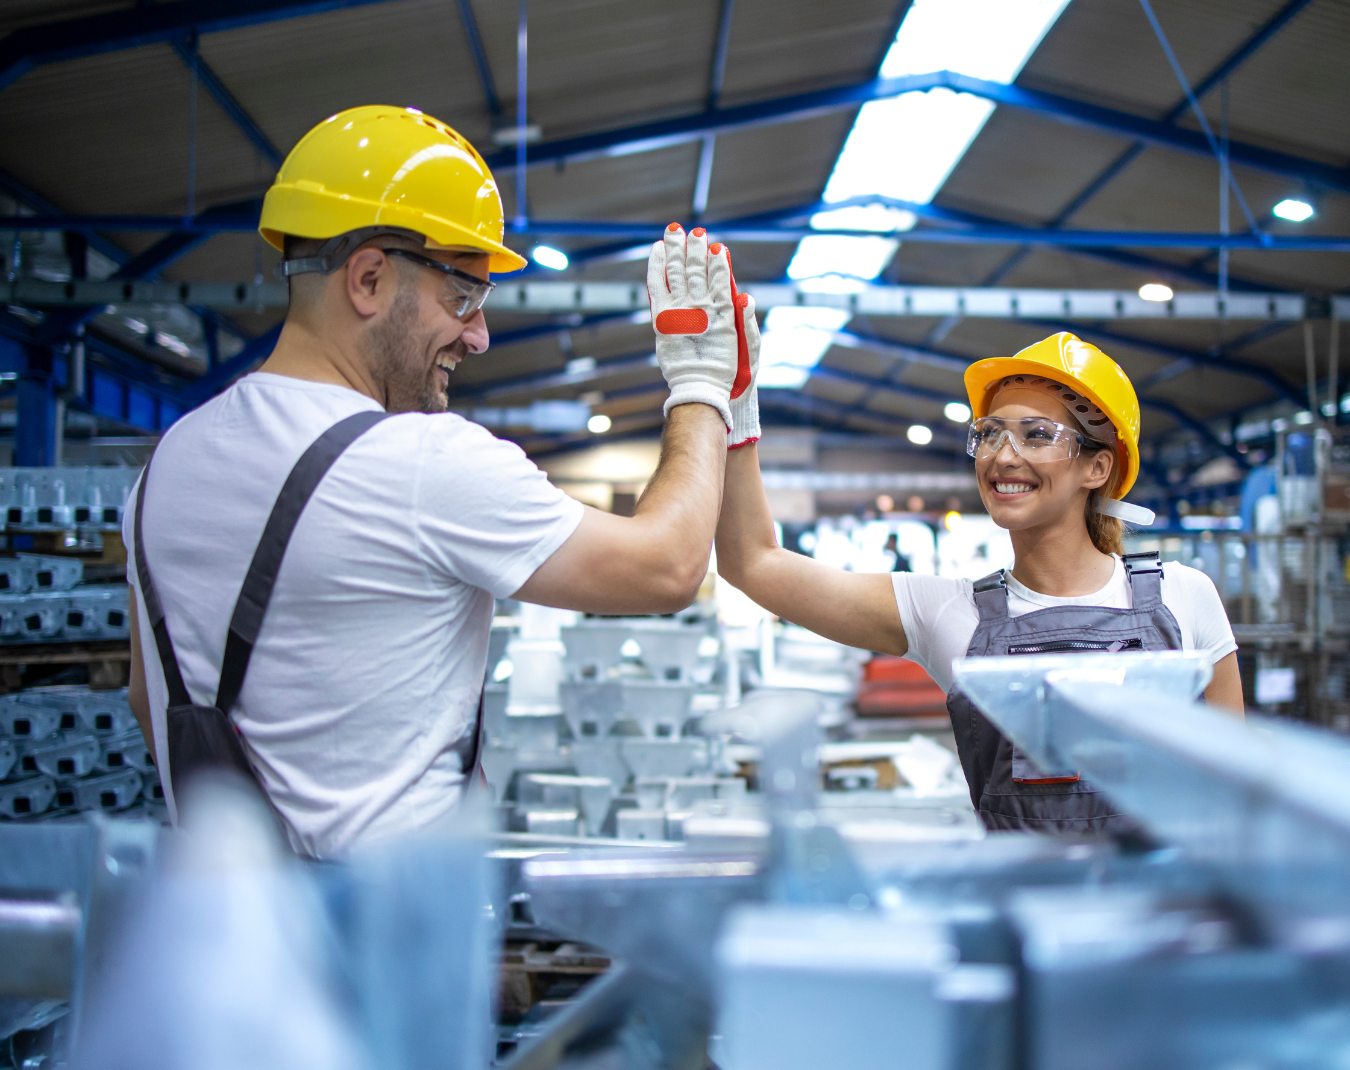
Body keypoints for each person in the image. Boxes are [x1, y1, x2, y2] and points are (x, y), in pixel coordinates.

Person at [125, 106, 751, 859]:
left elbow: (147, 699)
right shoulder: (421, 463)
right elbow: (670, 566)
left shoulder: (163, 470)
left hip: (224, 943)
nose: (479, 335)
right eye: (463, 296)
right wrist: (700, 387)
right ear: (367, 278)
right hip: (390, 953)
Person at [716, 329, 1243, 836]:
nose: (1002, 455)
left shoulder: (1182, 596)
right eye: (990, 433)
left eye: (1037, 435)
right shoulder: (949, 615)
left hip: (1166, 913)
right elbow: (752, 563)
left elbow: (1235, 792)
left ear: (1097, 468)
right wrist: (732, 405)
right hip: (1017, 913)